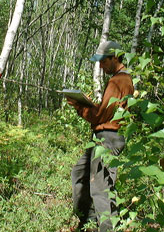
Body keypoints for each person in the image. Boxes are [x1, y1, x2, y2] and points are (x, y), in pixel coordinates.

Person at [67, 40, 134, 232]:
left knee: (101, 188)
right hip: (105, 136)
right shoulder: (124, 80)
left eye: (103, 61)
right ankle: (88, 221)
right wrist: (89, 104)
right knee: (79, 172)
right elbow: (107, 111)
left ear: (114, 58)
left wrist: (80, 106)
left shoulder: (117, 81)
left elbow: (99, 116)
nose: (101, 66)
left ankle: (105, 227)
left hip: (108, 137)